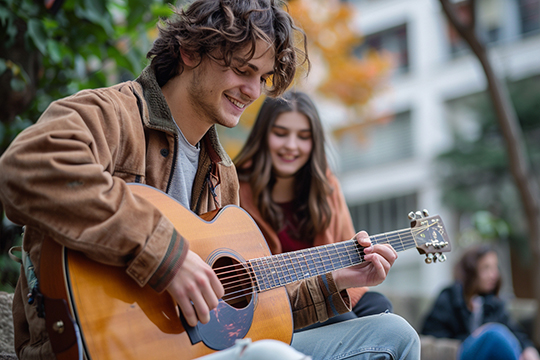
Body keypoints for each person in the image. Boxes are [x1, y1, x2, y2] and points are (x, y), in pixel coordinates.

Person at [0, 1, 420, 359]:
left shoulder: (222, 175)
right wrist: (167, 257)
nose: (253, 90)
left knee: (395, 335)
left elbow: (252, 309)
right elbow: (25, 169)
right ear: (189, 50)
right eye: (242, 69)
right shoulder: (111, 114)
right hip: (99, 344)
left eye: (263, 77)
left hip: (203, 351)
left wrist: (338, 282)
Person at [234, 91, 393, 331]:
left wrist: (365, 263)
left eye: (303, 137)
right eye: (280, 133)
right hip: (271, 308)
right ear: (263, 134)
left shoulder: (327, 189)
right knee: (344, 324)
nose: (291, 146)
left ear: (315, 141)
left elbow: (348, 251)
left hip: (330, 294)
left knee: (381, 311)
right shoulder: (233, 186)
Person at [421, 244, 540, 360]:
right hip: (460, 354)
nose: (494, 275)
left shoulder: (493, 303)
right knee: (493, 333)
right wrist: (474, 337)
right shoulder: (449, 297)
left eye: (495, 267)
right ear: (471, 270)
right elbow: (432, 336)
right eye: (486, 268)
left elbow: (513, 331)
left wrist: (528, 348)